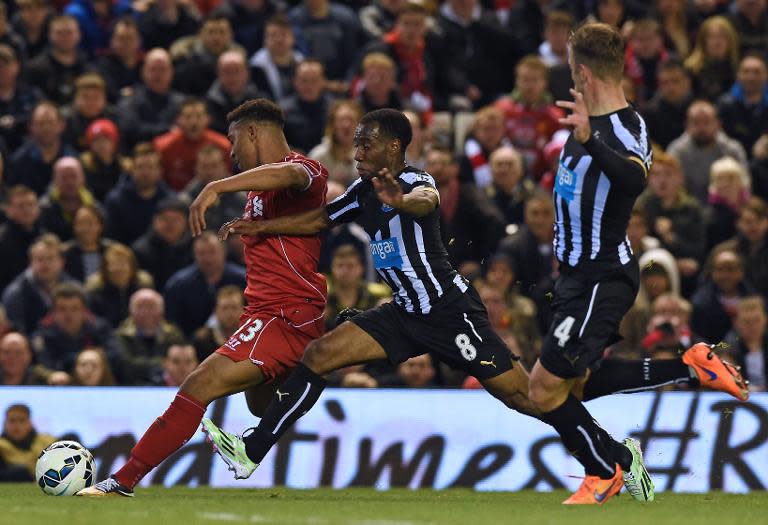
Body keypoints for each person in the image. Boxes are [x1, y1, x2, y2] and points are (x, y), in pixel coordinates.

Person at [198, 106, 749, 503]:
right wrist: (263, 224)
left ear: (392, 147)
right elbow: (321, 219)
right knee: (318, 357)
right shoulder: (364, 191)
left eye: (366, 142)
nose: (357, 149)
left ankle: (616, 456)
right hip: (402, 312)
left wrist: (400, 199)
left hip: (448, 313)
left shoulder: (412, 180)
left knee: (531, 398)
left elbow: (424, 202)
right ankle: (253, 449)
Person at [78, 98, 328, 497]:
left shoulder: (306, 169)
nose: (231, 153)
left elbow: (292, 174)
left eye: (233, 141)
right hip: (264, 314)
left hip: (282, 315)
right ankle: (313, 369)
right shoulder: (255, 195)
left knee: (198, 385)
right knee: (261, 406)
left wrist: (214, 185)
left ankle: (121, 480)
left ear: (252, 132)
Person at [529, 23, 655, 504]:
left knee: (542, 391)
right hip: (573, 277)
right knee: (573, 386)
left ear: (582, 71)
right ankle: (622, 460)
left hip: (602, 276)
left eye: (568, 66)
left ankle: (606, 470)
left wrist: (589, 139)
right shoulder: (589, 119)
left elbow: (634, 180)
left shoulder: (624, 127)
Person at [164, 230, 246, 336]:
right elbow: (172, 323)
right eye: (202, 253)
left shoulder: (244, 280)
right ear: (194, 255)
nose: (207, 259)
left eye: (212, 252)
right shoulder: (178, 285)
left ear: (223, 252)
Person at [0, 404, 56, 482]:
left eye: (22, 420)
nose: (17, 426)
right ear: (5, 423)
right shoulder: (2, 447)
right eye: (12, 421)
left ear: (30, 423)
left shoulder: (45, 440)